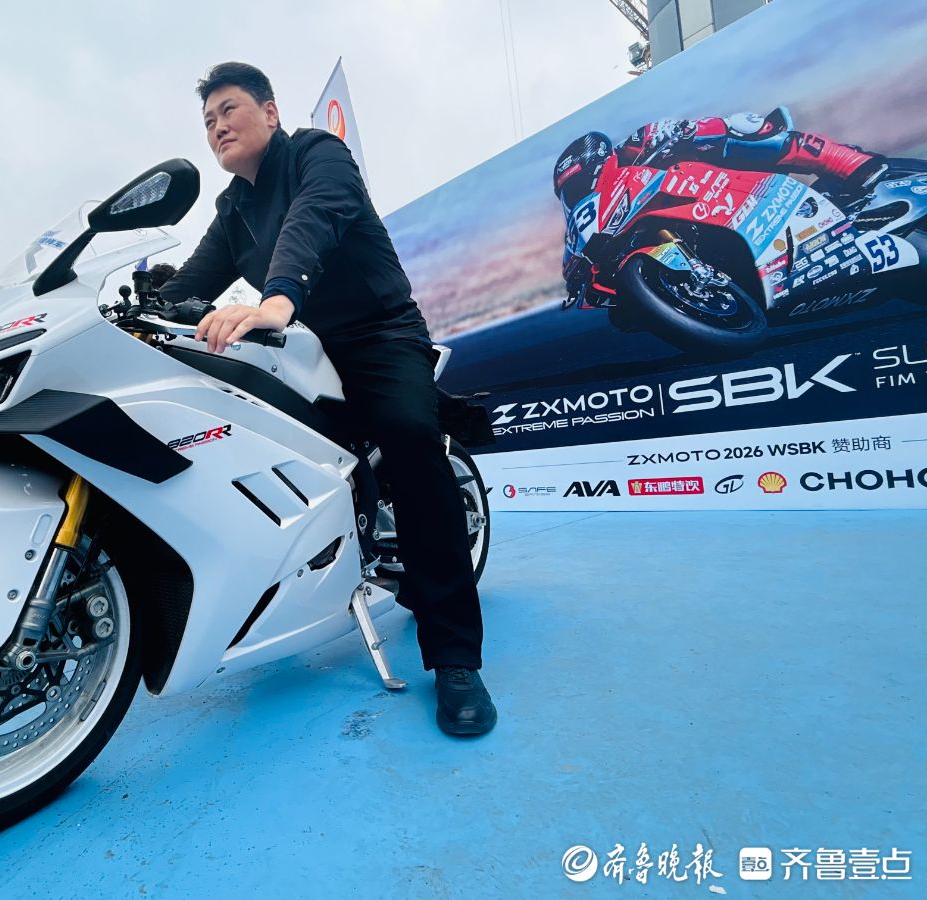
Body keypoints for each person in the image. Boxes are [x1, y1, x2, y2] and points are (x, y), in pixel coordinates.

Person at [158, 62, 494, 735]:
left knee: (408, 437)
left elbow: (314, 219)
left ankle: (455, 655)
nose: (217, 126)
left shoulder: (318, 153)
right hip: (301, 343)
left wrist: (278, 297)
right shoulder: (232, 209)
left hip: (378, 333)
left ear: (270, 112)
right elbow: (189, 282)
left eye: (228, 110)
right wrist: (140, 312)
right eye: (207, 121)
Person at [553, 109, 888, 297]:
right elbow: (576, 270)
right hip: (684, 223)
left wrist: (682, 131)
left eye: (579, 186)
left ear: (600, 162)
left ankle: (853, 163)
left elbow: (674, 129)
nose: (578, 195)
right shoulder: (586, 224)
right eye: (571, 194)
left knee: (746, 127)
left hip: (718, 180)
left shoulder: (634, 147)